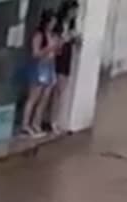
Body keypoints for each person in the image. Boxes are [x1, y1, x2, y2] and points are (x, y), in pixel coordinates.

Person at [21, 10, 60, 137]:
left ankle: (36, 123)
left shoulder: (52, 35)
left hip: (49, 66)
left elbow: (55, 53)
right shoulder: (39, 35)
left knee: (45, 98)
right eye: (51, 22)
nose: (53, 25)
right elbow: (35, 53)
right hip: (38, 67)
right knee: (34, 97)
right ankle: (25, 125)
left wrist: (57, 47)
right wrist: (49, 48)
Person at [46, 0, 81, 133]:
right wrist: (65, 39)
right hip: (57, 58)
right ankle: (51, 120)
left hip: (67, 57)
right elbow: (55, 43)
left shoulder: (71, 25)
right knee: (54, 90)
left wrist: (75, 39)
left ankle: (55, 119)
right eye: (73, 10)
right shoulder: (58, 25)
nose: (74, 13)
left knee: (61, 90)